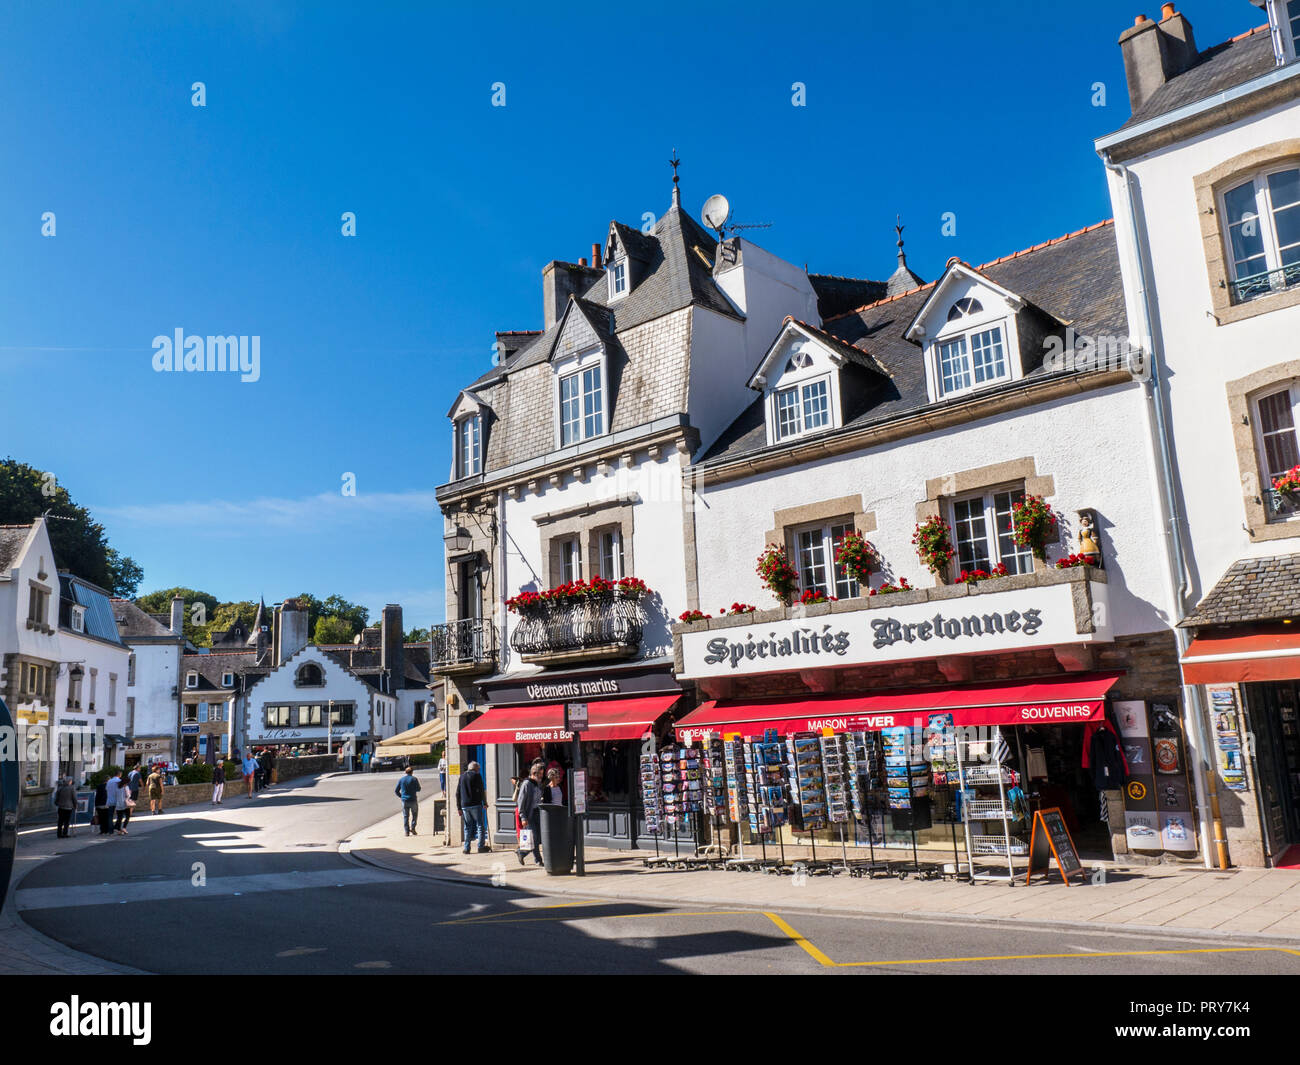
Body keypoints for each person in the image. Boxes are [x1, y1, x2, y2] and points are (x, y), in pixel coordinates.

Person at [515, 761, 545, 867]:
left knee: (537, 838)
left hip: (538, 813)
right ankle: (536, 859)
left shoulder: (537, 783)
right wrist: (523, 817)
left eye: (542, 774)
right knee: (534, 837)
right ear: (534, 773)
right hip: (529, 815)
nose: (541, 776)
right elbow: (520, 801)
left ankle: (523, 853)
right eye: (540, 774)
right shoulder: (527, 784)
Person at [457, 761, 489, 854]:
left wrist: (459, 807)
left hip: (465, 806)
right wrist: (485, 802)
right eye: (478, 769)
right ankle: (480, 847)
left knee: (467, 827)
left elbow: (457, 793)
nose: (479, 770)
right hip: (475, 804)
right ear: (475, 768)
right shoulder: (477, 776)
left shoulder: (462, 777)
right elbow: (482, 790)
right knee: (480, 825)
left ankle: (466, 848)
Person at [395, 766, 421, 836]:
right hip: (413, 799)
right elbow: (419, 789)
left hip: (405, 800)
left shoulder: (401, 780)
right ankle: (413, 828)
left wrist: (401, 796)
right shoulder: (414, 779)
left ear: (405, 772)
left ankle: (406, 831)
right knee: (414, 815)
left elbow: (396, 791)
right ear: (412, 772)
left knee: (406, 816)